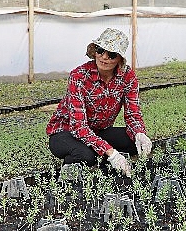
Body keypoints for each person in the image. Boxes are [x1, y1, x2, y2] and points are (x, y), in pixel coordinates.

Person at [46, 28, 152, 177]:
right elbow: (78, 127)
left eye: (112, 54)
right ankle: (73, 168)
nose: (104, 57)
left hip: (98, 131)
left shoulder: (128, 77)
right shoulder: (79, 76)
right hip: (66, 132)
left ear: (120, 59)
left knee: (135, 143)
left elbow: (132, 114)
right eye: (101, 50)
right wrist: (111, 152)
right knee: (86, 156)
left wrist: (139, 133)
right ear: (95, 50)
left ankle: (101, 156)